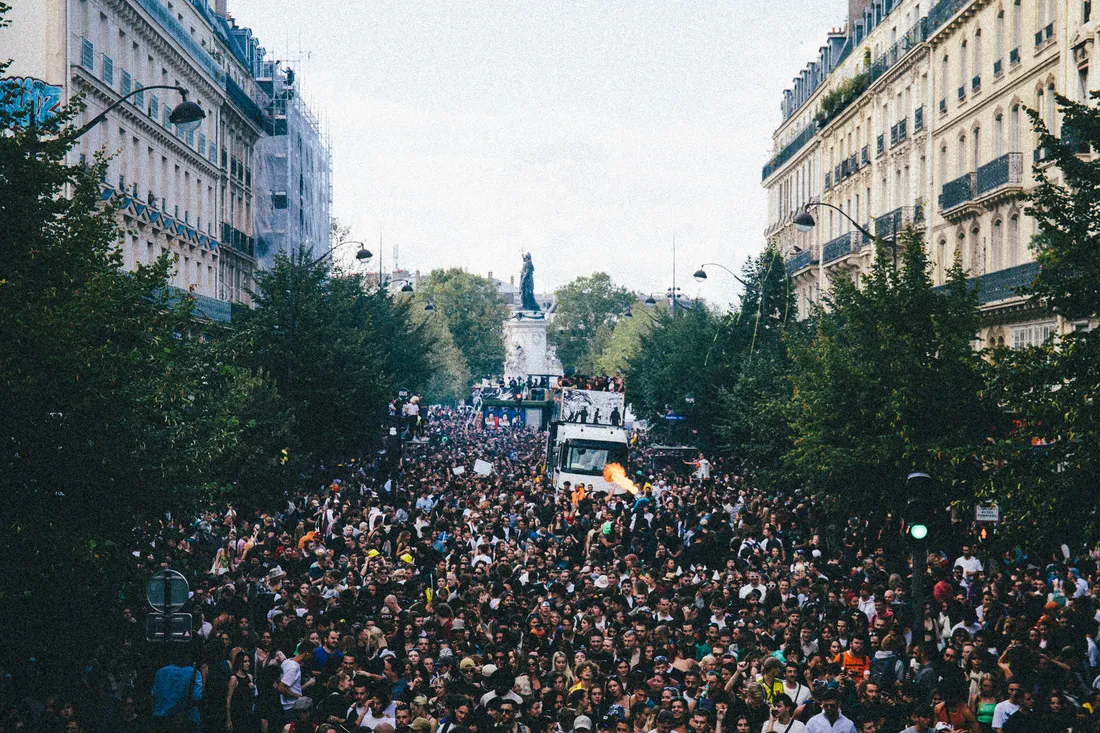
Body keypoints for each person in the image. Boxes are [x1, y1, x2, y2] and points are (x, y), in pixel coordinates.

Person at [151, 654, 203, 733]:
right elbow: (197, 697)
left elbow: (154, 695)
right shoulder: (195, 673)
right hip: (187, 719)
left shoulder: (161, 672)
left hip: (162, 719)